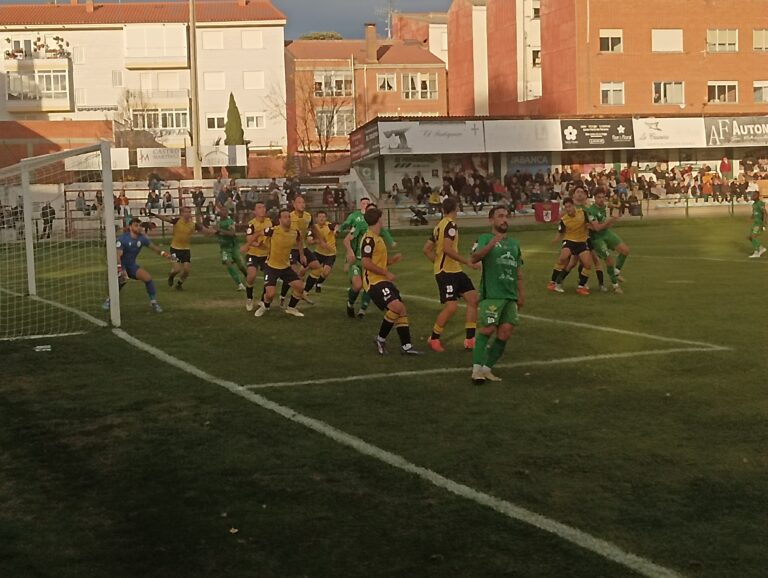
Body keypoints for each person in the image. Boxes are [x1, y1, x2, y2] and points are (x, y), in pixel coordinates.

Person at [469, 206, 524, 384]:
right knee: (487, 329)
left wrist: (521, 293)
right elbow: (474, 258)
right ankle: (476, 370)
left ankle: (487, 369)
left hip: (510, 295)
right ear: (491, 220)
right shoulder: (484, 238)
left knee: (505, 332)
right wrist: (492, 243)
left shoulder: (514, 244)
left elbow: (518, 270)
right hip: (492, 294)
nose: (504, 219)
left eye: (506, 216)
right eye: (500, 216)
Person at [360, 207, 421, 355]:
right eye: (381, 219)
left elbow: (377, 261)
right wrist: (386, 273)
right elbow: (366, 263)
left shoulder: (378, 238)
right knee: (397, 306)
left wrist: (391, 261)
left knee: (401, 309)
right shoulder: (369, 239)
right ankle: (380, 339)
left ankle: (407, 347)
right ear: (378, 220)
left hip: (381, 280)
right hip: (374, 282)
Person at [422, 197, 480, 353]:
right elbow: (447, 249)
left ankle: (470, 340)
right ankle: (434, 339)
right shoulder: (450, 226)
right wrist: (467, 262)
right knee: (451, 307)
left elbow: (426, 249)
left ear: (442, 209)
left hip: (454, 270)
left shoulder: (439, 226)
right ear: (456, 208)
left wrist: (436, 263)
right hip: (447, 273)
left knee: (473, 299)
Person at [340, 198, 396, 318]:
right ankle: (350, 303)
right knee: (357, 285)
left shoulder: (378, 228)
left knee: (369, 286)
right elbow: (346, 240)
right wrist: (350, 253)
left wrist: (391, 244)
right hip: (357, 261)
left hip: (370, 262)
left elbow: (385, 236)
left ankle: (362, 310)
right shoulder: (359, 224)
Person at [103, 217, 171, 313]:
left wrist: (167, 255)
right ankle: (109, 300)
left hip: (131, 265)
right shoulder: (123, 239)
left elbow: (155, 248)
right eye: (136, 225)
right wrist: (120, 269)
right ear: (130, 227)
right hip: (120, 265)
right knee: (122, 280)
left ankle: (153, 302)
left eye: (140, 226)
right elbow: (118, 255)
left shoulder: (142, 238)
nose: (139, 228)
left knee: (148, 278)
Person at [253, 209, 307, 318]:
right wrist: (250, 244)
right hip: (272, 267)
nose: (288, 219)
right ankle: (265, 306)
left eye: (289, 217)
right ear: (280, 219)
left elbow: (299, 240)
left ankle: (291, 308)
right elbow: (258, 233)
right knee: (270, 294)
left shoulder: (295, 231)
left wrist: (302, 255)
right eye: (285, 217)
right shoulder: (273, 230)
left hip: (285, 267)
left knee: (300, 287)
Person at [548, 197, 594, 295]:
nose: (568, 209)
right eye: (566, 207)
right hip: (569, 240)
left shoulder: (582, 213)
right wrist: (555, 240)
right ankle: (553, 282)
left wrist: (590, 226)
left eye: (569, 206)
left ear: (573, 206)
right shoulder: (564, 219)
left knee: (587, 264)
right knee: (564, 257)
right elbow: (560, 232)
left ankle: (581, 286)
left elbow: (588, 223)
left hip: (581, 242)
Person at [151, 206, 202, 290]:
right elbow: (165, 219)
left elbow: (204, 230)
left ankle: (179, 284)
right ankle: (171, 276)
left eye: (189, 212)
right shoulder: (177, 221)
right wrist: (155, 215)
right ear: (182, 213)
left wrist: (217, 232)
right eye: (186, 212)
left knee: (186, 270)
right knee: (176, 269)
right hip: (174, 249)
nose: (188, 214)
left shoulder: (193, 224)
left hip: (186, 250)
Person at [584, 189, 625, 293]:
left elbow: (605, 224)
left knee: (625, 250)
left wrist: (611, 221)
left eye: (603, 197)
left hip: (606, 233)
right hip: (597, 238)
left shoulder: (603, 207)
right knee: (609, 260)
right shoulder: (591, 210)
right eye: (599, 197)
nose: (601, 199)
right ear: (595, 198)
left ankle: (616, 271)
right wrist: (610, 220)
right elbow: (597, 228)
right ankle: (615, 285)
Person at [242, 201, 271, 311]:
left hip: (266, 255)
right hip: (253, 253)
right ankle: (249, 298)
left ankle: (263, 300)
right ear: (255, 211)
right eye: (259, 207)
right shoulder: (252, 223)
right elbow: (249, 238)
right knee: (252, 275)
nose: (262, 209)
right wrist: (257, 244)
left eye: (263, 207)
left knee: (268, 279)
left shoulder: (270, 222)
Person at [211, 206, 247, 290]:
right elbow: (216, 232)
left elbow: (232, 233)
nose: (222, 213)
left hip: (233, 247)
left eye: (224, 211)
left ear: (227, 213)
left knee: (240, 265)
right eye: (221, 211)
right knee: (228, 263)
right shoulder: (218, 222)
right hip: (224, 248)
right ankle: (239, 284)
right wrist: (213, 232)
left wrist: (220, 230)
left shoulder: (230, 222)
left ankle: (247, 275)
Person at [306, 210, 337, 293]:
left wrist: (336, 230)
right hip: (318, 253)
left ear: (326, 218)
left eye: (323, 217)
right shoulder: (314, 228)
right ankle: (302, 287)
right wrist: (318, 241)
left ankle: (318, 283)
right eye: (320, 217)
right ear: (316, 218)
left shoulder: (329, 225)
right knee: (305, 267)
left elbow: (336, 227)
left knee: (325, 272)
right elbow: (309, 241)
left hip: (330, 254)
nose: (322, 219)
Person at [748, 190, 767, 258]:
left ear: (757, 196)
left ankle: (757, 252)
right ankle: (761, 248)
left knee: (753, 236)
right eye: (752, 195)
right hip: (755, 223)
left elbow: (764, 213)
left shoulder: (760, 203)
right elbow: (755, 212)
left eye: (754, 195)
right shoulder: (754, 204)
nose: (752, 196)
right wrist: (752, 217)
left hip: (759, 223)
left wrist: (764, 224)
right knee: (750, 237)